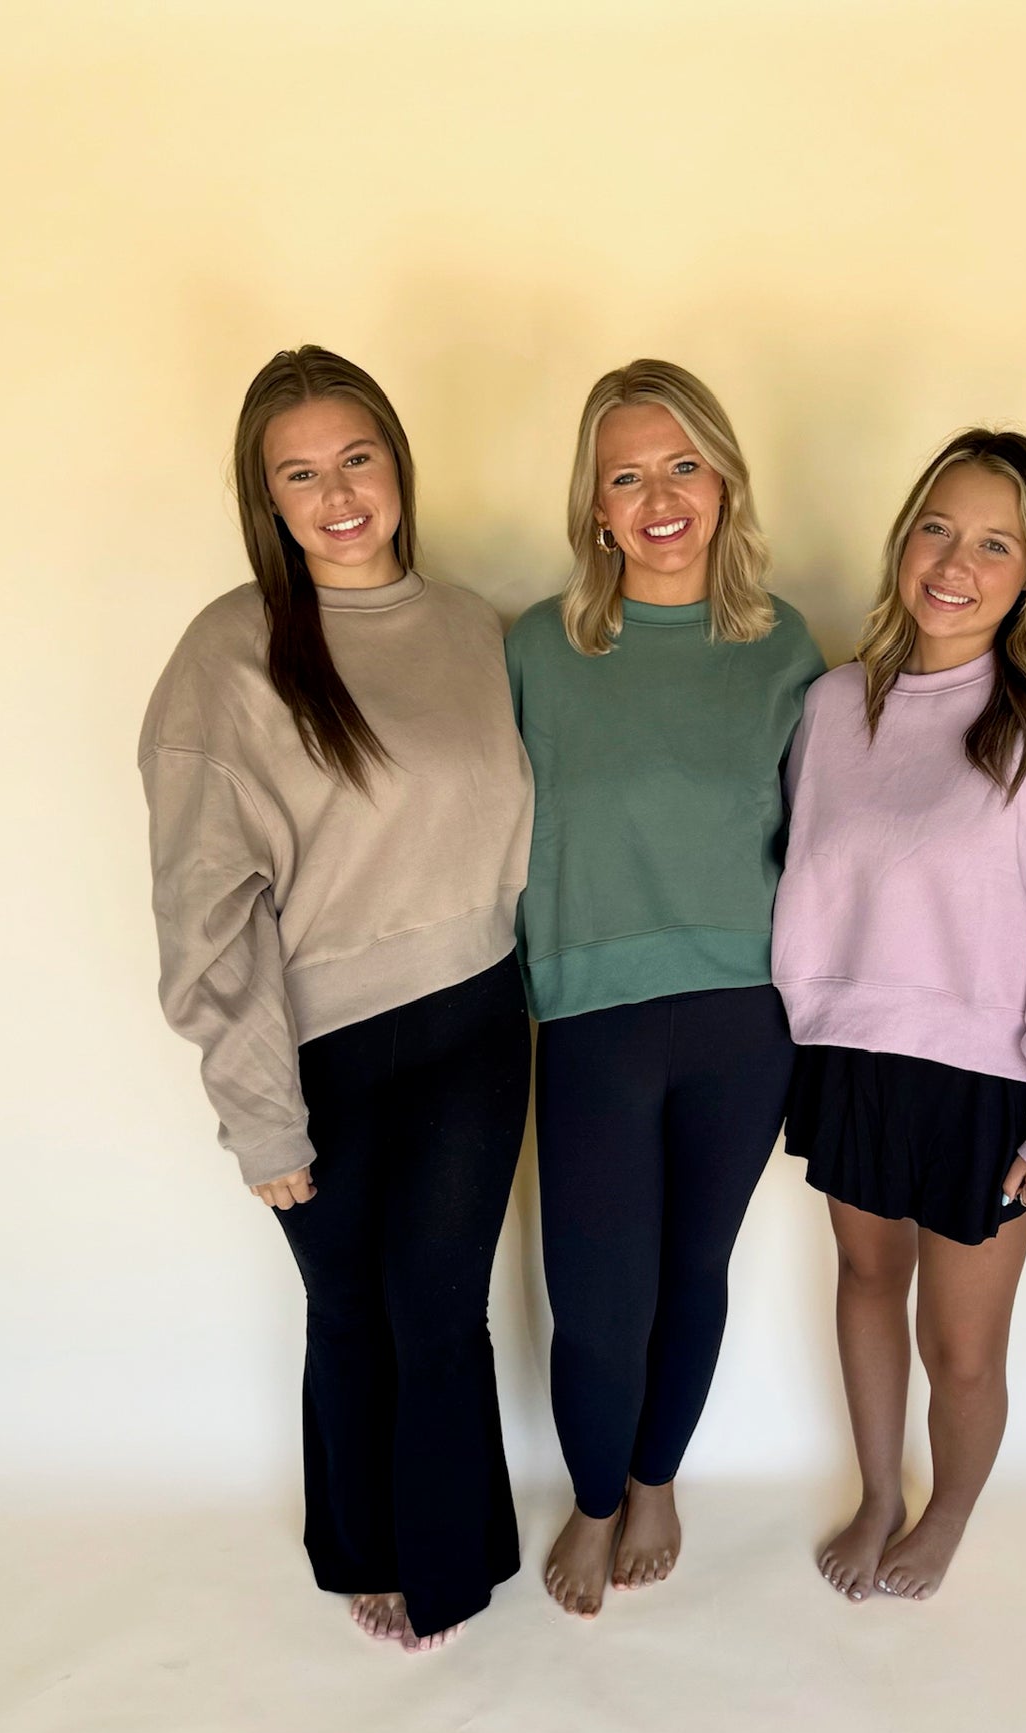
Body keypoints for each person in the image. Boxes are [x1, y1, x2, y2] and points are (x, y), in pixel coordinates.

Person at [139, 346, 534, 1652]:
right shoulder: (231, 653)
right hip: (323, 1049)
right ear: (269, 498)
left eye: (356, 457)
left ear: (397, 464)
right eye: (299, 474)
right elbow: (207, 904)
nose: (337, 493)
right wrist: (259, 1112)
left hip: (476, 1016)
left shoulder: (479, 628)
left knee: (439, 1305)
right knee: (353, 1307)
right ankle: (360, 1545)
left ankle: (452, 1558)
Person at [773, 429, 1026, 1603]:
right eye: (937, 527)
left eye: (995, 543)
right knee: (859, 1283)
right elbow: (801, 876)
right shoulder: (835, 703)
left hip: (987, 1079)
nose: (955, 561)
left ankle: (943, 1510)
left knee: (962, 1346)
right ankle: (878, 1492)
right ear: (904, 539)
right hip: (847, 1058)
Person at [506, 359, 824, 1618]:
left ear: (725, 479)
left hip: (748, 1016)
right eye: (626, 474)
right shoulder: (540, 645)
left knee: (692, 1269)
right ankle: (592, 1495)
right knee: (595, 1298)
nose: (658, 495)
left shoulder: (780, 644)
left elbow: (825, 835)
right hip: (588, 1013)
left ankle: (653, 1477)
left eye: (683, 464)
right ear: (592, 504)